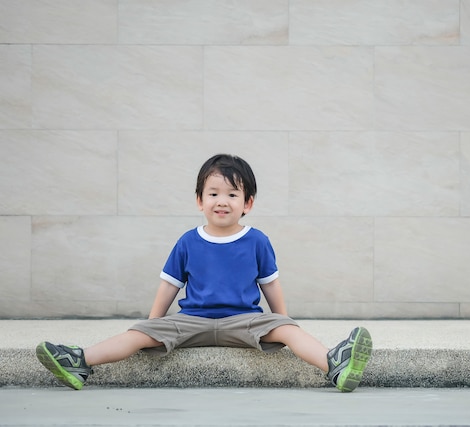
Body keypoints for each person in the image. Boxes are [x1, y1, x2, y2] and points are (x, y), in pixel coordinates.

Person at [36, 153, 372, 392]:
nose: (221, 201)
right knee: (137, 332)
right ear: (200, 200)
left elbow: (271, 286)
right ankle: (78, 361)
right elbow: (169, 286)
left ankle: (335, 365)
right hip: (191, 322)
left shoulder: (256, 240)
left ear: (248, 203)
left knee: (289, 329)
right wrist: (154, 324)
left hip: (244, 321)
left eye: (232, 194)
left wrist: (282, 323)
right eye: (213, 193)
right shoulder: (188, 241)